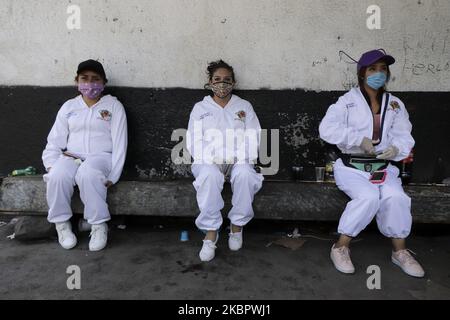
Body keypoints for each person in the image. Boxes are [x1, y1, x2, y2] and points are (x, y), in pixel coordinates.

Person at [319, 49, 425, 277]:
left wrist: (396, 149)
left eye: (383, 69)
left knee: (396, 198)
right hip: (351, 168)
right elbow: (327, 129)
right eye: (372, 69)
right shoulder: (347, 102)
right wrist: (359, 140)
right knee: (367, 197)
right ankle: (341, 247)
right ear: (361, 73)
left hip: (384, 168)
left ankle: (400, 252)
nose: (379, 73)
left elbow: (404, 134)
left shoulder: (395, 104)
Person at [42, 59, 128, 251]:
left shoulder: (114, 107)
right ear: (77, 81)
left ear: (104, 83)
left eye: (95, 79)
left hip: (101, 156)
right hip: (71, 155)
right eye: (85, 79)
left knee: (88, 174)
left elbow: (121, 143)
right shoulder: (69, 107)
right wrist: (51, 164)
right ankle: (62, 225)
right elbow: (55, 140)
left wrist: (114, 175)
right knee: (57, 176)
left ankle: (98, 225)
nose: (90, 84)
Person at [186, 60, 264, 262]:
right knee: (210, 176)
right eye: (217, 79)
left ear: (234, 82)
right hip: (208, 160)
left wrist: (238, 157)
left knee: (246, 174)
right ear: (210, 82)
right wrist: (213, 158)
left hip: (238, 159)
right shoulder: (200, 108)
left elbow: (253, 136)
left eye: (227, 80)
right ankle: (211, 232)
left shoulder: (243, 106)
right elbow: (194, 140)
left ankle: (237, 226)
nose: (222, 84)